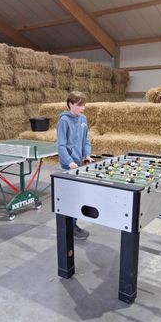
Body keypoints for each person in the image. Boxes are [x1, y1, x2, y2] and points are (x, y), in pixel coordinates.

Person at [57, 91, 94, 240]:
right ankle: (70, 227)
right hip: (69, 165)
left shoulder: (83, 119)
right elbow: (61, 145)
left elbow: (86, 140)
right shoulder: (64, 121)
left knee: (78, 197)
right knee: (71, 198)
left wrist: (87, 155)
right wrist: (69, 162)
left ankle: (73, 224)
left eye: (83, 105)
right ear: (70, 104)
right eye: (79, 105)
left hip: (79, 163)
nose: (82, 108)